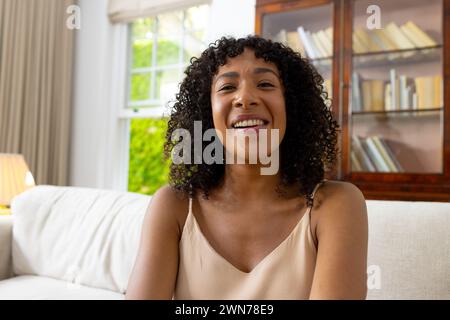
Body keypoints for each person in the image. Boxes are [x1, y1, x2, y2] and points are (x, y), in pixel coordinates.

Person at [125, 36, 368, 300]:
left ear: (292, 106)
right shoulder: (174, 206)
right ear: (207, 111)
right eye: (227, 87)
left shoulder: (336, 205)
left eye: (265, 84)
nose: (245, 98)